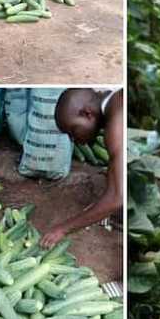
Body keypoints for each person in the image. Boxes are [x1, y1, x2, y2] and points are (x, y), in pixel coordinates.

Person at [41, 88, 123, 248]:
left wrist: (62, 229)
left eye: (73, 130)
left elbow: (117, 198)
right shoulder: (115, 102)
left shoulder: (115, 130)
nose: (73, 139)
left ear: (87, 113)